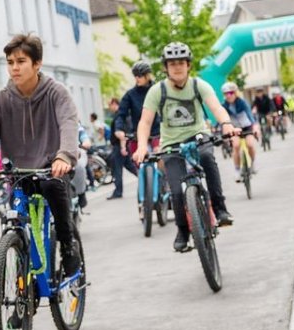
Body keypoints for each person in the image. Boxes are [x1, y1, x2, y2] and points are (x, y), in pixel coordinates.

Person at [0, 33, 83, 274]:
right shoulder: (1, 99)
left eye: (21, 61)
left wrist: (64, 156)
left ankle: (68, 245)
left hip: (52, 168)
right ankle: (20, 267)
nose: (14, 68)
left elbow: (68, 123)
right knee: (16, 217)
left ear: (37, 64)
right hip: (18, 171)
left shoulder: (57, 93)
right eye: (10, 62)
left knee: (54, 190)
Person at [131, 42, 238, 252]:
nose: (177, 67)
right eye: (172, 64)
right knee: (176, 191)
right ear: (165, 67)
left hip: (198, 136)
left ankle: (220, 209)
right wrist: (141, 146)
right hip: (171, 144)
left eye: (181, 63)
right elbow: (145, 122)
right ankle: (182, 231)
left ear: (188, 65)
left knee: (207, 158)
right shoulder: (157, 91)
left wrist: (226, 124)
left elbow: (216, 107)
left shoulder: (199, 85)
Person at [108, 59, 155, 199]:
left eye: (140, 75)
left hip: (157, 133)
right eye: (135, 75)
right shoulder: (130, 95)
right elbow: (120, 114)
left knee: (163, 162)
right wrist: (119, 129)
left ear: (147, 75)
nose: (137, 78)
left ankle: (166, 189)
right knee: (139, 165)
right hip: (137, 136)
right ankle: (143, 200)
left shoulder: (157, 90)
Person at [221, 82, 260, 174]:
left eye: (230, 93)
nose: (228, 96)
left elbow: (250, 115)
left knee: (250, 145)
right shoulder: (224, 106)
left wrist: (255, 127)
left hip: (247, 127)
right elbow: (222, 120)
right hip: (234, 129)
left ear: (235, 93)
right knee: (236, 146)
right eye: (226, 94)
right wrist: (221, 131)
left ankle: (253, 163)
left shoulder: (242, 102)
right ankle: (237, 170)